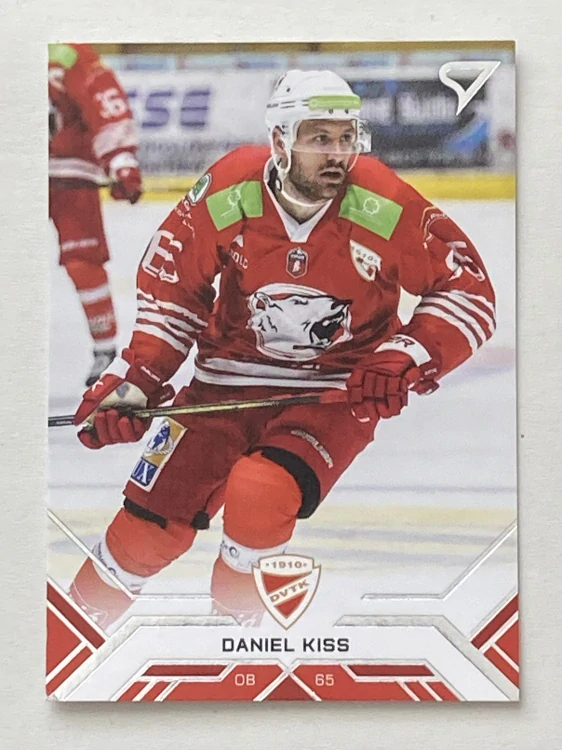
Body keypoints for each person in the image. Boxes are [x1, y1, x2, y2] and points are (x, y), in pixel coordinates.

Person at [68, 70, 496, 629]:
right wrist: (136, 382)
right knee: (142, 533)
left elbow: (468, 290)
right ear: (280, 140)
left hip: (331, 394)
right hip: (222, 385)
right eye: (320, 138)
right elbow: (174, 293)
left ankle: (238, 642)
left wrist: (403, 356)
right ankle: (62, 651)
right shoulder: (229, 191)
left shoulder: (382, 202)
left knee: (262, 490)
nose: (338, 153)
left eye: (346, 137)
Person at [49, 43, 143, 385]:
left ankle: (105, 350)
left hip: (69, 170)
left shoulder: (68, 53)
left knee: (82, 261)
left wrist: (121, 159)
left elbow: (105, 102)